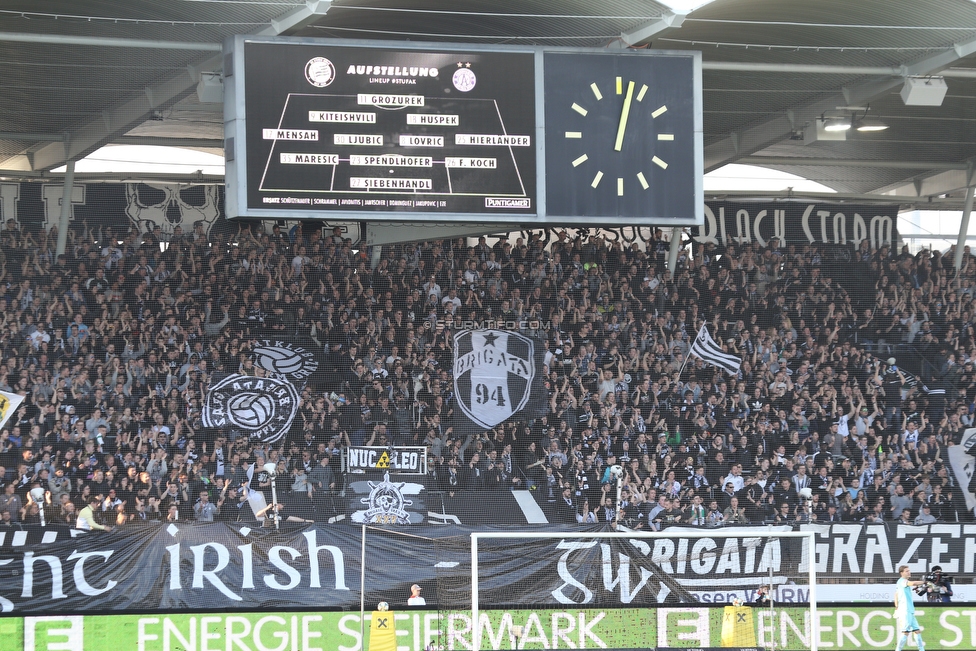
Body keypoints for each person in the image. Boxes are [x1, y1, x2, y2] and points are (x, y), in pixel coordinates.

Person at [893, 565, 926, 651]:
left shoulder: (900, 583)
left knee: (917, 631)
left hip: (909, 610)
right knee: (905, 632)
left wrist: (896, 607)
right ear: (902, 573)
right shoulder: (902, 581)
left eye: (909, 570)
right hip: (905, 610)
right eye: (907, 571)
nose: (909, 572)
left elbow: (896, 594)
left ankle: (921, 649)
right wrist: (924, 582)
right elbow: (913, 583)